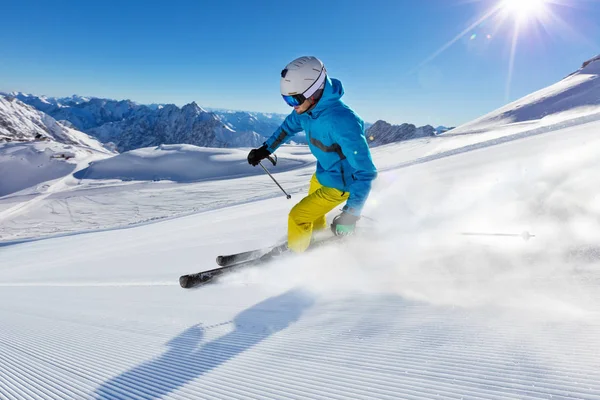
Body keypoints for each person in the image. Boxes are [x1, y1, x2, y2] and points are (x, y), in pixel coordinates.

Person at [247, 56, 377, 253]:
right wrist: (266, 149)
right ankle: (314, 239)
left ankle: (294, 258)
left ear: (315, 92)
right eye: (286, 99)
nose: (292, 106)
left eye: (294, 99)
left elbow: (366, 172)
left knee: (297, 217)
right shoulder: (307, 110)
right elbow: (287, 127)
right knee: (314, 211)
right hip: (324, 174)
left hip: (342, 184)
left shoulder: (342, 121)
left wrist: (350, 215)